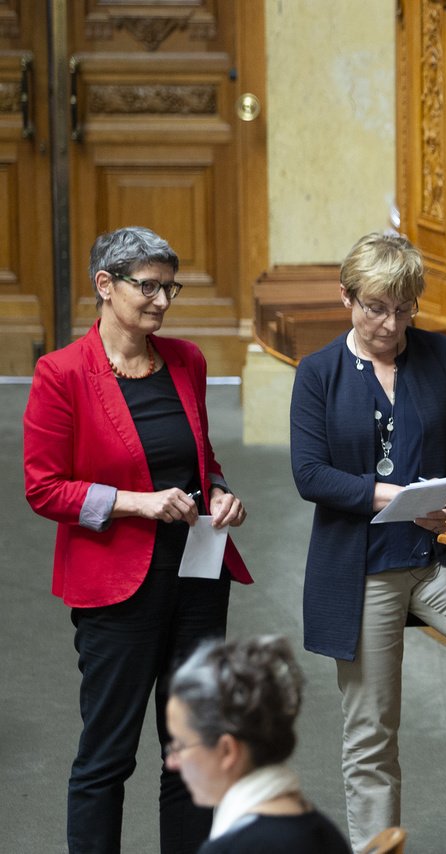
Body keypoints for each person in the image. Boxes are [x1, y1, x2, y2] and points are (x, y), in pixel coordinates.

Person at [23, 226, 251, 854]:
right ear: (106, 285)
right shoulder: (61, 373)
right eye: (148, 287)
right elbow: (44, 489)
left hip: (198, 579)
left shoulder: (186, 360)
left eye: (169, 288)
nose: (162, 301)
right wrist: (135, 502)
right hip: (116, 589)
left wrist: (220, 492)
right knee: (108, 756)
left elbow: (199, 459)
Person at [289, 231, 446, 850]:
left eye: (404, 309)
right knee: (372, 730)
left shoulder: (441, 356)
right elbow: (310, 474)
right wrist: (391, 496)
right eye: (376, 308)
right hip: (365, 568)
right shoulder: (318, 373)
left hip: (435, 559)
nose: (391, 324)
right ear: (346, 297)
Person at [165, 636, 350, 853]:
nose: (171, 762)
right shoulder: (325, 832)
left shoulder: (231, 849)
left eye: (180, 746)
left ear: (227, 751)